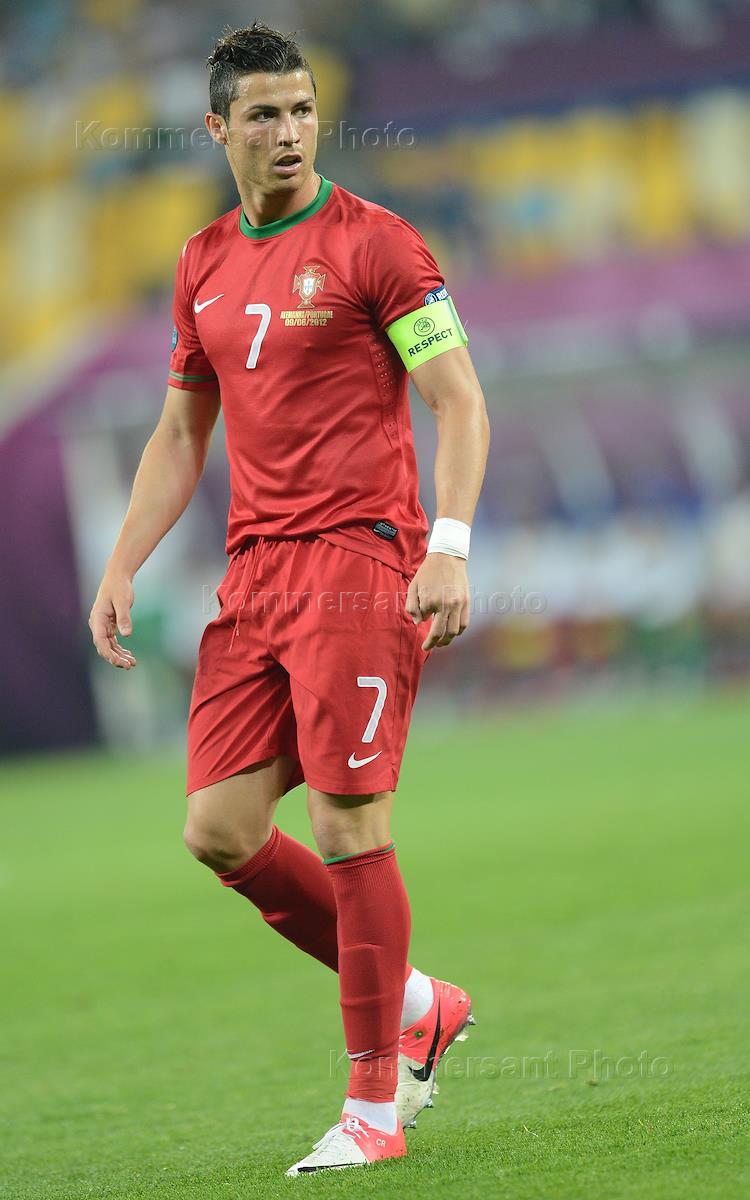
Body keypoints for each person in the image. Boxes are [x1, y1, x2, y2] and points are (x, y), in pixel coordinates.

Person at [89, 22, 489, 1177]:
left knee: (348, 825)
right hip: (254, 574)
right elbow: (180, 432)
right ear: (217, 127)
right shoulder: (202, 261)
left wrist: (449, 548)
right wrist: (121, 563)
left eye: (303, 110)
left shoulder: (379, 244)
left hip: (359, 563)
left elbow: (460, 401)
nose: (289, 132)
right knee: (218, 829)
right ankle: (416, 1001)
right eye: (263, 114)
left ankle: (373, 1111)